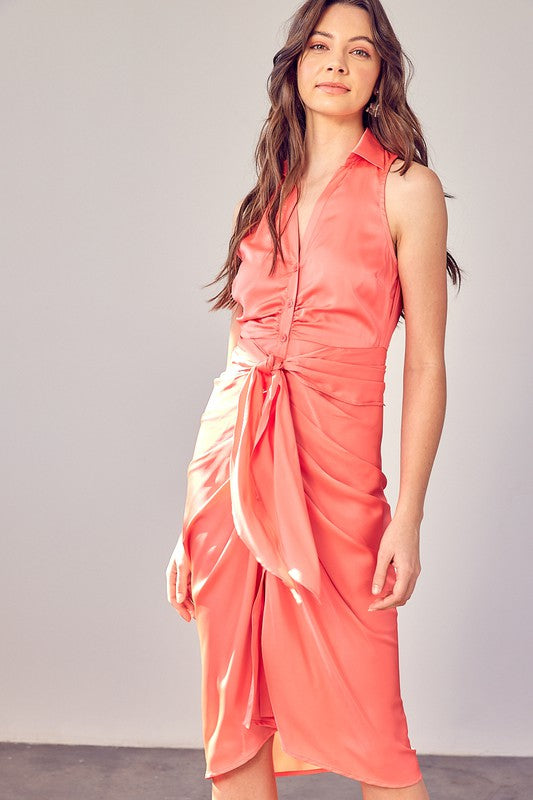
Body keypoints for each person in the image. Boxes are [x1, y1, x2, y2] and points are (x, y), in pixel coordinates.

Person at [166, 1, 462, 798]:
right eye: (320, 46)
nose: (336, 62)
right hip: (230, 474)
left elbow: (426, 365)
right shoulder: (264, 195)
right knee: (235, 723)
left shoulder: (407, 189)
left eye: (358, 51)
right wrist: (189, 526)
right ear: (295, 67)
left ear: (377, 77)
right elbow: (237, 356)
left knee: (377, 739)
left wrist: (409, 517)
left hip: (337, 483)